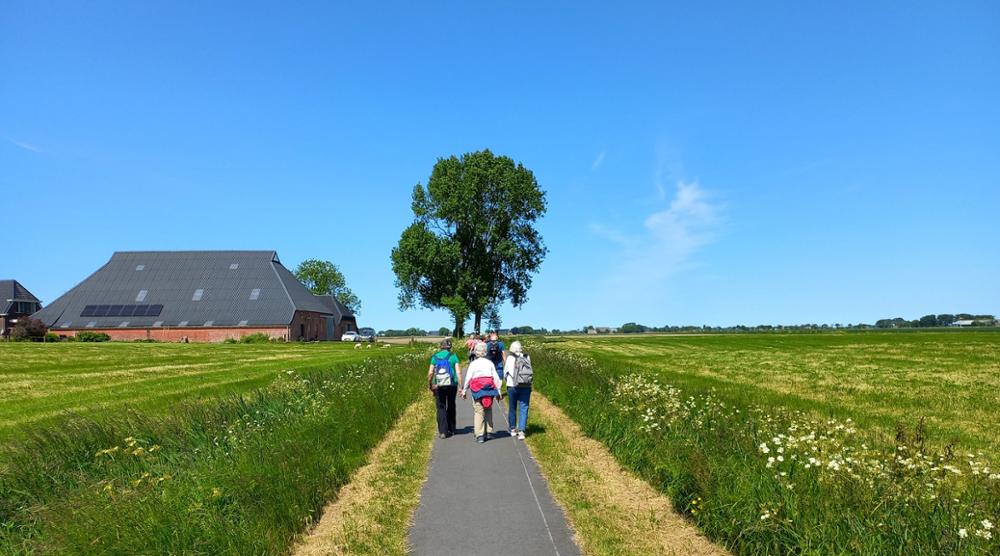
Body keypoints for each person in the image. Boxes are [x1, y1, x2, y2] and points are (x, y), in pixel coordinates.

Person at [461, 342, 502, 443]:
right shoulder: (489, 363)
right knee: (488, 409)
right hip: (489, 389)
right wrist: (499, 391)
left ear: (476, 352)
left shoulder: (473, 364)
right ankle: (489, 432)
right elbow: (496, 378)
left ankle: (480, 435)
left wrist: (464, 390)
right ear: (485, 352)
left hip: (477, 390)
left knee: (479, 411)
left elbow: (468, 378)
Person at [428, 338, 462, 438]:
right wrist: (461, 386)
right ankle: (452, 428)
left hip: (438, 385)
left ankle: (443, 431)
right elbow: (459, 372)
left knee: (441, 407)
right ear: (450, 347)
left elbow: (430, 373)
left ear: (441, 347)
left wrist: (430, 384)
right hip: (452, 384)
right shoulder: (453, 356)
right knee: (451, 405)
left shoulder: (434, 357)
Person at [503, 341, 533, 440]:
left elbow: (506, 372)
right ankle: (521, 431)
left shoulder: (510, 358)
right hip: (526, 385)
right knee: (524, 408)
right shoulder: (526, 356)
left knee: (512, 407)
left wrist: (506, 382)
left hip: (512, 386)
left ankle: (512, 429)